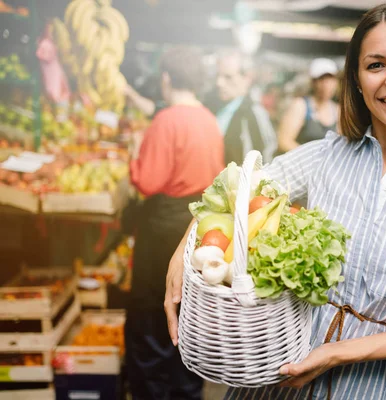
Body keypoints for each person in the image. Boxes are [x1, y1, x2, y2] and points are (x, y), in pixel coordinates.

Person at [165, 3, 386, 399]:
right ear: (356, 80)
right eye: (375, 66)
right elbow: (242, 187)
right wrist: (182, 250)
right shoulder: (327, 154)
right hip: (272, 380)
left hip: (363, 388)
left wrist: (335, 355)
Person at [127, 46, 224, 400]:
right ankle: (185, 390)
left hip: (163, 227)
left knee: (152, 315)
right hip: (197, 224)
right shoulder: (209, 118)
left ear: (166, 79)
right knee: (186, 311)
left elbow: (147, 182)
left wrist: (135, 152)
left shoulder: (166, 120)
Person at [214, 50, 278, 165]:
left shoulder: (254, 113)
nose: (219, 83)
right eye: (218, 75)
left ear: (247, 78)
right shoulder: (213, 105)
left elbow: (265, 156)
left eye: (228, 77)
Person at [277, 58, 340, 153]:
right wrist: (312, 158)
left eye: (330, 79)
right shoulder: (300, 105)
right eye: (321, 80)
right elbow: (284, 141)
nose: (326, 85)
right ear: (313, 82)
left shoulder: (338, 110)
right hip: (300, 163)